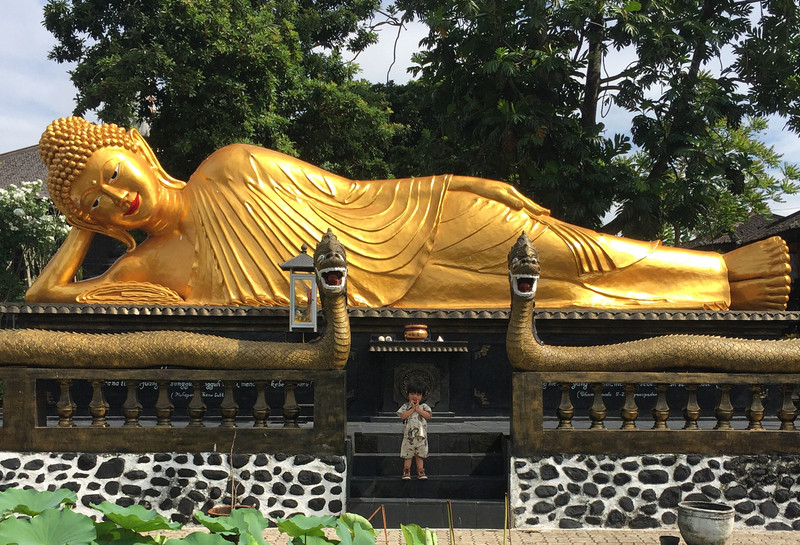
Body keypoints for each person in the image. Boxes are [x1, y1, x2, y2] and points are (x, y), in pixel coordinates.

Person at [28, 116, 791, 310]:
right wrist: (81, 231)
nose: (113, 198)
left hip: (415, 227)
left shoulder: (230, 164)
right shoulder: (142, 267)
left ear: (134, 147)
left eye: (108, 175)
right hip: (394, 305)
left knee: (577, 253)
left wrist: (460, 183)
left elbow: (351, 193)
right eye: (91, 203)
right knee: (567, 302)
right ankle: (718, 297)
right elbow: (44, 302)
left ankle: (725, 271)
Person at [397, 381, 432, 480]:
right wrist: (412, 409)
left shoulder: (424, 407)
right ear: (408, 394)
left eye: (418, 394)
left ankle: (420, 471)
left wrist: (417, 409)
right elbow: (403, 416)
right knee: (408, 454)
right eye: (412, 394)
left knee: (419, 454)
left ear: (422, 395)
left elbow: (428, 416)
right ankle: (406, 471)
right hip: (409, 437)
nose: (415, 396)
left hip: (421, 436)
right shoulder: (405, 407)